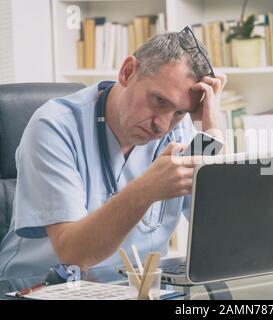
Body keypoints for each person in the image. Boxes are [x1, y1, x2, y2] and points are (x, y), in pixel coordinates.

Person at [0, 28, 226, 278]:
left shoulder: (178, 131)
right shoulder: (54, 127)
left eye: (179, 112)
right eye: (159, 100)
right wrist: (148, 188)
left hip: (132, 287)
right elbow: (73, 256)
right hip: (38, 287)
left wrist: (212, 134)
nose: (162, 125)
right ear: (128, 72)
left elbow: (220, 229)